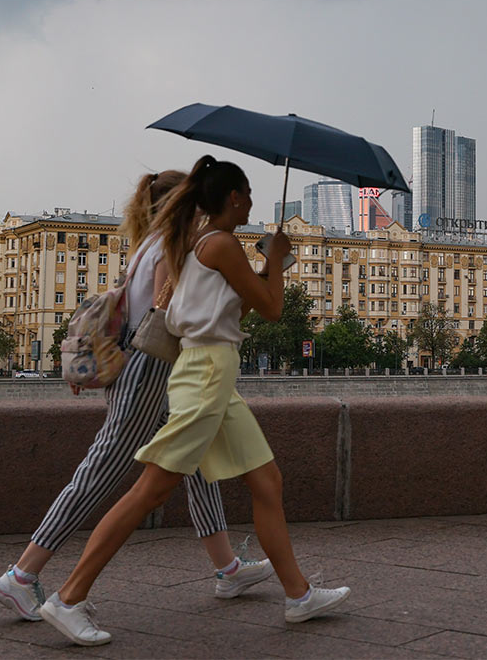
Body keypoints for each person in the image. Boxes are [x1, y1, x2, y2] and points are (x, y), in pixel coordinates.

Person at [40, 156, 349, 646]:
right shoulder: (221, 244)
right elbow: (270, 308)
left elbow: (233, 307)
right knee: (151, 490)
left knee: (267, 480)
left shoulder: (196, 245)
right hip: (206, 373)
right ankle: (68, 597)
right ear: (233, 197)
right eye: (247, 196)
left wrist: (269, 265)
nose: (251, 204)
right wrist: (277, 261)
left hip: (212, 372)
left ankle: (298, 594)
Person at [0, 171, 273, 623]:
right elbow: (172, 315)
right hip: (153, 368)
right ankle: (21, 576)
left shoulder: (149, 243)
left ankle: (228, 568)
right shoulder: (172, 247)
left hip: (152, 367)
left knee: (194, 464)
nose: (205, 211)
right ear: (183, 205)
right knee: (100, 471)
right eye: (199, 203)